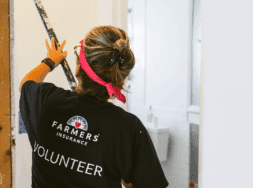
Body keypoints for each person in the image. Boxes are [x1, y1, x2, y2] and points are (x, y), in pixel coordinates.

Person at [19, 26, 169, 188]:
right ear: (120, 81)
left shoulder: (46, 101)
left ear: (78, 69)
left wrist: (50, 61)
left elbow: (26, 84)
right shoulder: (127, 128)